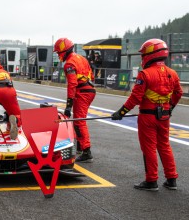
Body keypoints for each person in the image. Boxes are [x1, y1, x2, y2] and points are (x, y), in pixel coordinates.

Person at [112, 39, 183, 191]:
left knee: (149, 148)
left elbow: (135, 98)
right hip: (164, 116)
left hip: (148, 117)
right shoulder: (173, 73)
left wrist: (121, 112)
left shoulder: (144, 74)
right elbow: (178, 93)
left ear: (150, 54)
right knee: (164, 146)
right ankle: (172, 179)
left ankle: (151, 181)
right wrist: (170, 107)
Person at [53, 38, 96, 162]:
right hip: (89, 90)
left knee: (79, 121)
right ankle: (80, 146)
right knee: (79, 120)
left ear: (64, 51)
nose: (58, 55)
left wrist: (68, 105)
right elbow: (92, 76)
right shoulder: (81, 58)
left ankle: (86, 151)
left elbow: (72, 84)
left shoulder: (69, 64)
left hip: (82, 92)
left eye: (58, 53)